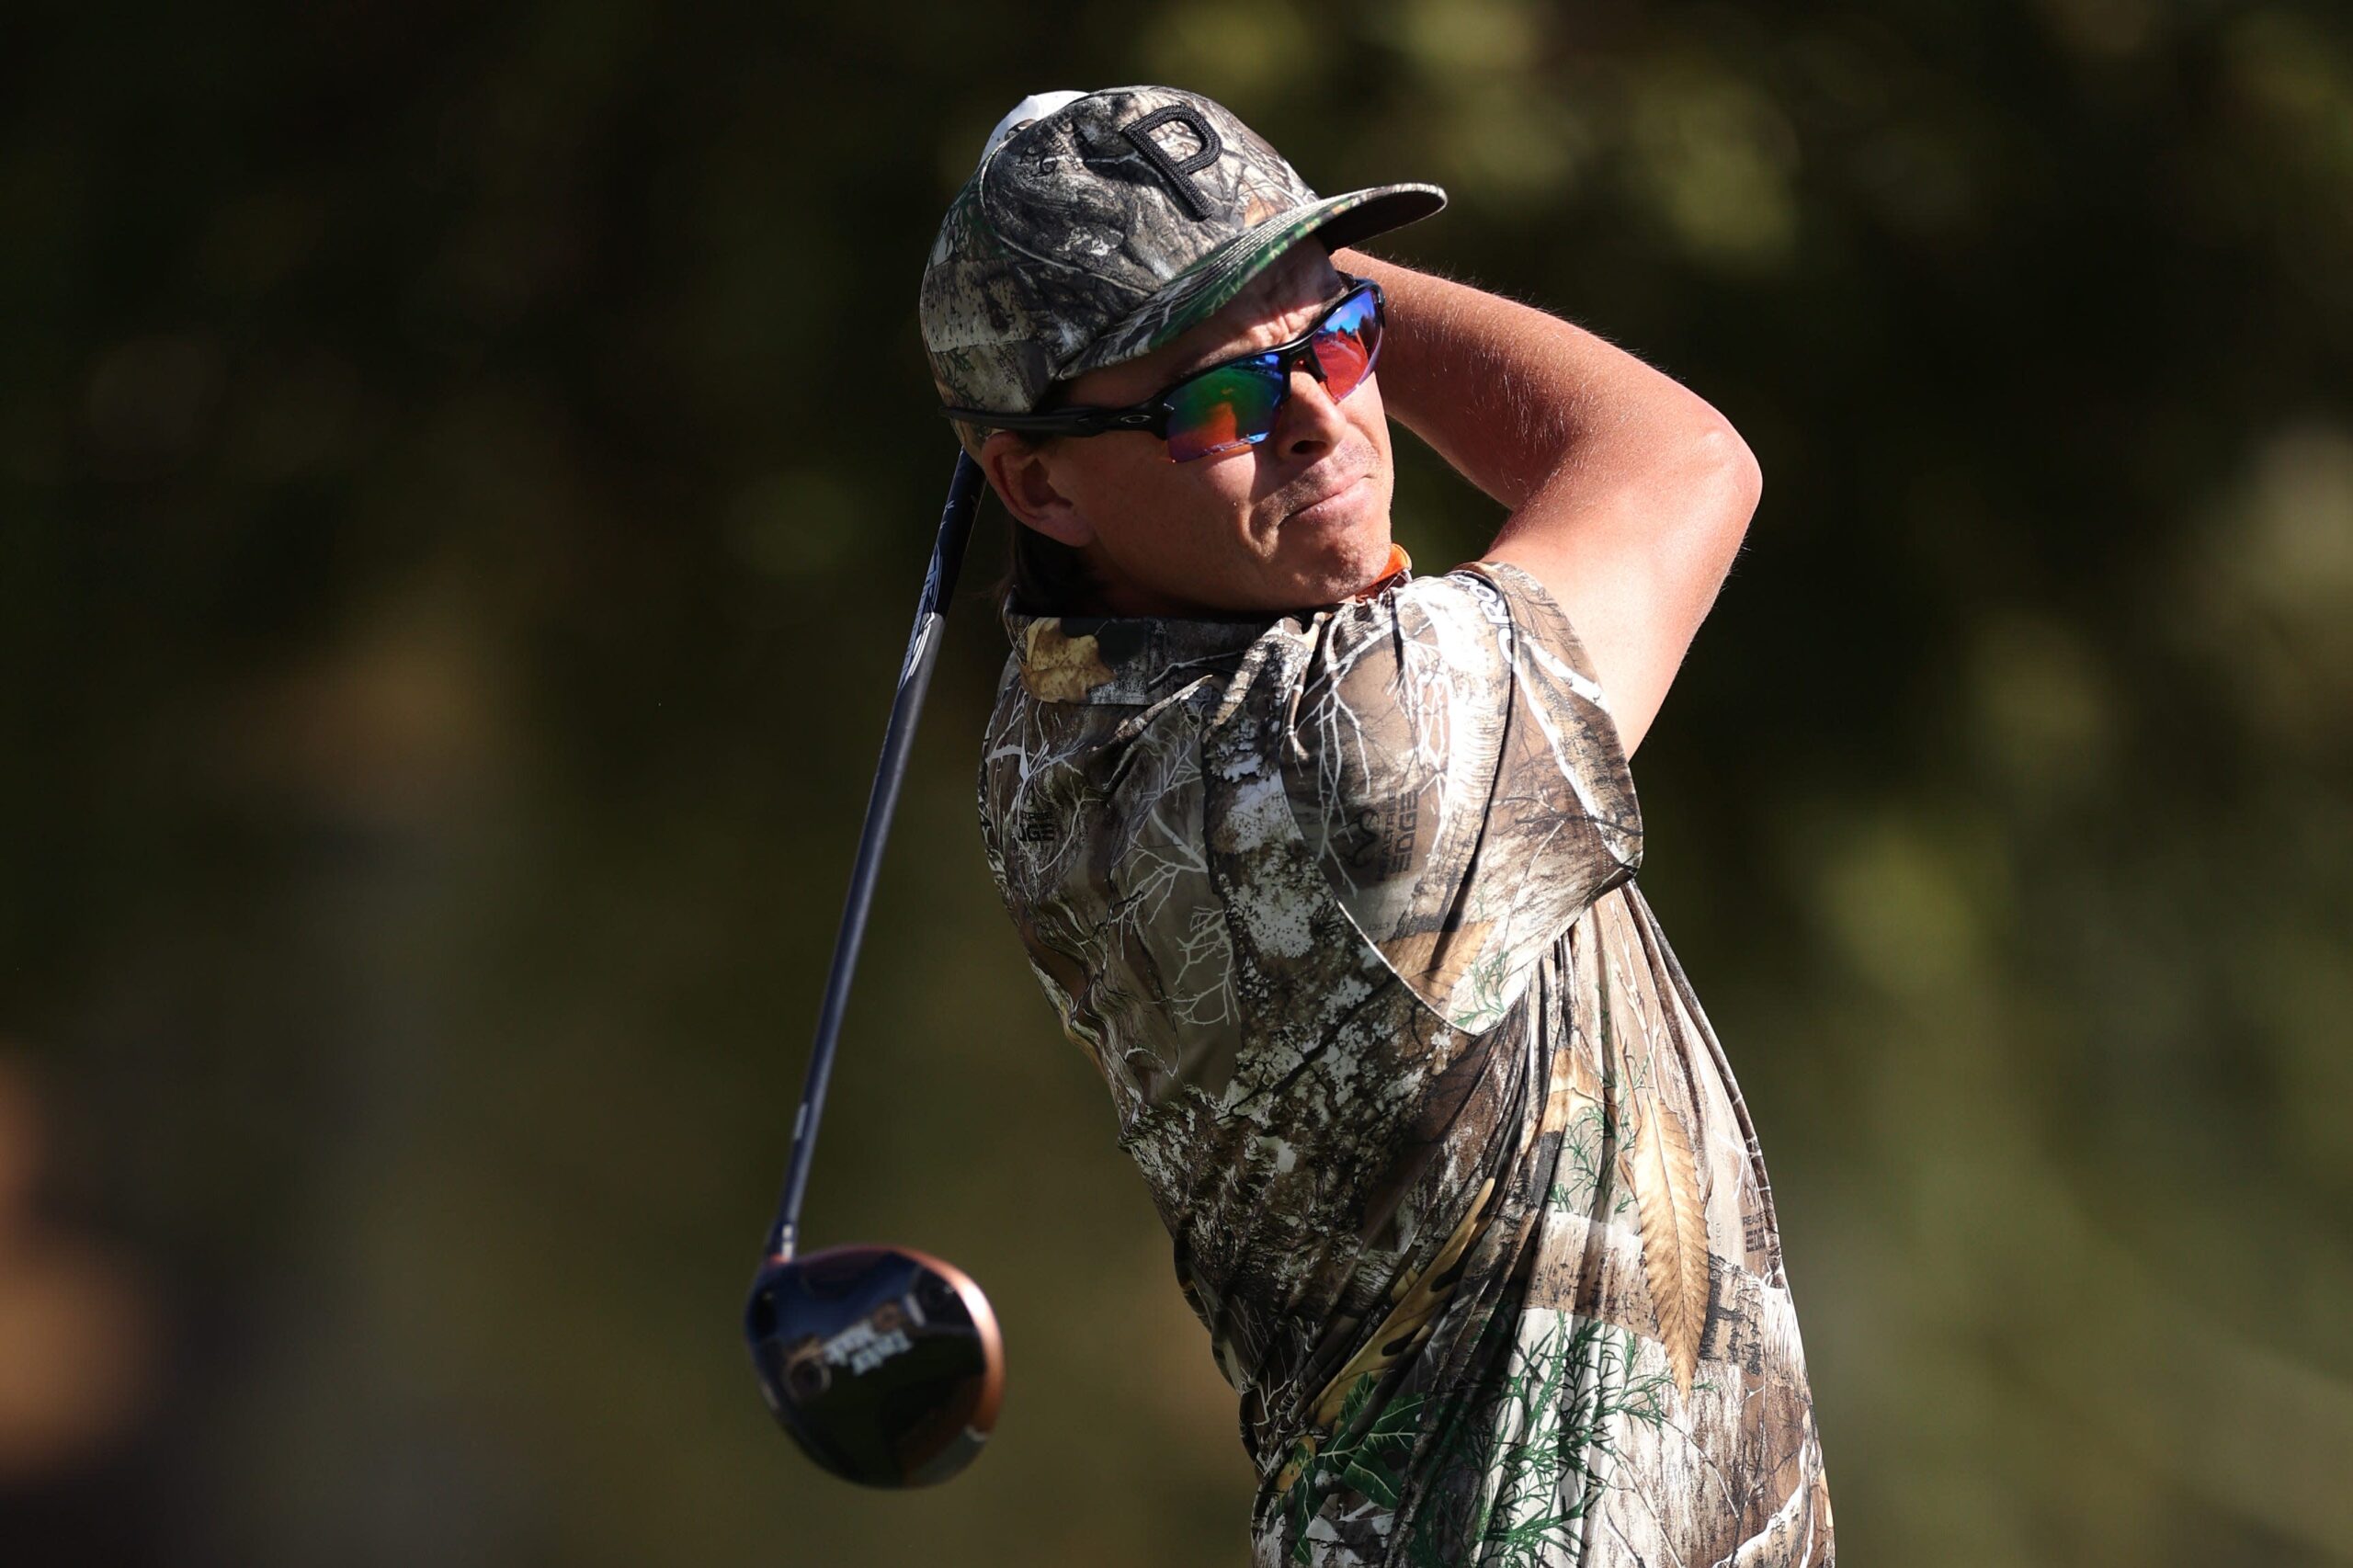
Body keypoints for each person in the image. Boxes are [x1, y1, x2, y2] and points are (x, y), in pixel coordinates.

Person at [921, 85, 1835, 1566]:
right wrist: (1332, 277)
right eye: (1221, 399)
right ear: (1036, 483)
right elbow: (1684, 464)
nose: (1321, 418)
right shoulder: (1360, 758)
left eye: (1341, 346)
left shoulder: (1047, 752)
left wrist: (1251, 274)